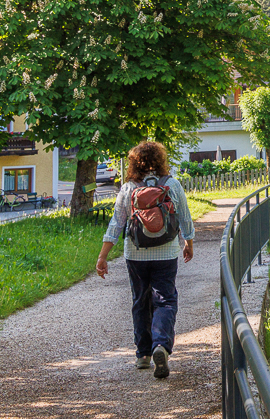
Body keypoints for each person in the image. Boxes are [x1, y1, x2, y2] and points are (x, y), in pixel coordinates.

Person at [96, 141, 196, 379]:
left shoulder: (129, 188)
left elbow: (116, 224)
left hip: (136, 254)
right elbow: (185, 218)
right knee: (165, 300)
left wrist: (103, 256)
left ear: (134, 163)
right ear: (161, 160)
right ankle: (161, 345)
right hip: (166, 253)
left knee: (140, 300)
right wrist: (188, 243)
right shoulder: (171, 185)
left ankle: (142, 355)